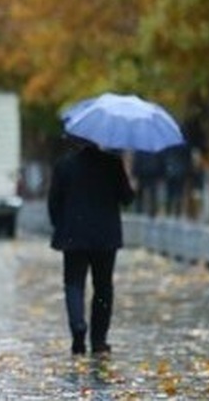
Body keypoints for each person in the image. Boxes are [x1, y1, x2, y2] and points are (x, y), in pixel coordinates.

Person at [47, 136, 135, 356]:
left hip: (73, 235)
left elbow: (53, 201)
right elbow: (127, 199)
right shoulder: (112, 164)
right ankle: (99, 341)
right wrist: (128, 180)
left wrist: (61, 225)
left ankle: (78, 327)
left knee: (74, 284)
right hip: (105, 237)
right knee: (103, 287)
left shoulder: (64, 165)